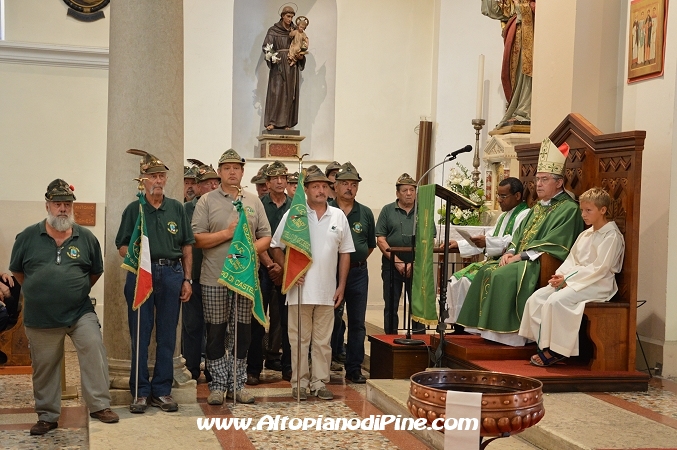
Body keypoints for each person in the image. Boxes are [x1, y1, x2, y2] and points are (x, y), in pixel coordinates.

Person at [11, 179, 118, 435]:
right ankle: (47, 416)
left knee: (94, 348)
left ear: (73, 207)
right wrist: (41, 292)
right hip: (41, 317)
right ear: (47, 205)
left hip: (80, 312)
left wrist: (73, 291)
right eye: (57, 204)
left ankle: (99, 406)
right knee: (45, 366)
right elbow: (17, 271)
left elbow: (95, 272)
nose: (62, 208)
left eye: (67, 204)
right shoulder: (27, 236)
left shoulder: (86, 237)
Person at [456, 138, 585, 346]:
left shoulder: (568, 209)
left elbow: (554, 245)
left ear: (559, 182)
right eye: (537, 179)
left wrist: (518, 256)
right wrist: (510, 251)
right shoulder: (538, 207)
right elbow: (520, 236)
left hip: (540, 263)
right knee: (485, 270)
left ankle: (509, 335)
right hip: (520, 258)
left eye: (544, 180)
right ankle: (486, 331)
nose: (538, 184)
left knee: (500, 275)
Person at [116, 151, 194, 414]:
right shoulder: (134, 209)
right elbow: (122, 247)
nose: (158, 180)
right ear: (143, 180)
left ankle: (162, 390)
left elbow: (186, 246)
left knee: (167, 335)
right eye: (153, 176)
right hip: (141, 276)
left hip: (171, 274)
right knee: (140, 332)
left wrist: (187, 279)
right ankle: (140, 392)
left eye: (161, 176)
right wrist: (139, 257)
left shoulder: (177, 208)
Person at [192, 149, 271, 405]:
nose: (232, 172)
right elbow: (198, 239)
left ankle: (237, 385)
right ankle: (217, 385)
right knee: (216, 333)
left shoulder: (253, 201)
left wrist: (248, 252)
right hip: (214, 278)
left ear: (242, 171)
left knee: (242, 333)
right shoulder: (206, 201)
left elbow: (266, 237)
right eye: (227, 168)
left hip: (244, 278)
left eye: (236, 168)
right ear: (219, 172)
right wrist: (228, 234)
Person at [270, 165, 354, 400]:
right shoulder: (294, 214)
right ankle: (299, 383)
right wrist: (289, 270)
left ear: (330, 189)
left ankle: (319, 382)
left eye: (323, 186)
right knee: (298, 340)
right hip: (299, 291)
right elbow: (276, 245)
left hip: (328, 291)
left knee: (323, 342)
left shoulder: (338, 216)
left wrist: (341, 286)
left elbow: (346, 252)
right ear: (305, 190)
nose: (320, 190)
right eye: (315, 186)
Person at [519, 188, 625, 366]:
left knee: (556, 301)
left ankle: (557, 350)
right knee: (536, 298)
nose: (583, 214)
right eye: (582, 210)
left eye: (588, 210)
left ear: (603, 210)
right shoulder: (585, 234)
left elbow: (600, 268)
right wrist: (560, 276)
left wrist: (568, 280)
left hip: (598, 283)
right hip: (575, 279)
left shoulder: (611, 236)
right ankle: (543, 343)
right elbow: (572, 259)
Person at [445, 177, 530, 323]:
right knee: (456, 279)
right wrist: (459, 244)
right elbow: (490, 236)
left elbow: (514, 241)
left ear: (517, 196)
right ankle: (458, 324)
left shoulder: (525, 215)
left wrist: (487, 242)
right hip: (493, 261)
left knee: (466, 281)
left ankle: (469, 325)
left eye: (503, 196)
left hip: (507, 263)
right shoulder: (503, 216)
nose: (499, 200)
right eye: (498, 195)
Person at [329, 162, 375, 384]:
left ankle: (354, 368)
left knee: (357, 323)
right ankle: (324, 364)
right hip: (329, 274)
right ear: (335, 186)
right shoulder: (326, 209)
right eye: (345, 183)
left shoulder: (365, 213)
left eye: (353, 184)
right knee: (330, 320)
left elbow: (370, 245)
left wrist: (354, 261)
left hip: (358, 274)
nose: (349, 188)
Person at [247, 161, 292, 385]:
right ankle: (253, 368)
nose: (279, 181)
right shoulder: (257, 204)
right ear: (267, 182)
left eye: (283, 177)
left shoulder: (295, 206)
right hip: (261, 269)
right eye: (275, 178)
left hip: (286, 270)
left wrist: (282, 267)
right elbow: (253, 235)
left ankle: (286, 366)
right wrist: (270, 265)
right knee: (257, 318)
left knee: (285, 319)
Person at [182, 160, 220, 381]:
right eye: (206, 183)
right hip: (194, 275)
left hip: (218, 276)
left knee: (216, 327)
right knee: (192, 326)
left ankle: (215, 371)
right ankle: (193, 371)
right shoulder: (185, 209)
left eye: (215, 182)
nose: (212, 187)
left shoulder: (225, 207)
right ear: (196, 187)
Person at [375, 173, 426, 334]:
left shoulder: (423, 210)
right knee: (391, 305)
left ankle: (420, 341)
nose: (409, 193)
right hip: (392, 266)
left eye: (412, 190)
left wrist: (416, 262)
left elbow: (428, 239)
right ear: (397, 193)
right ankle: (390, 341)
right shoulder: (387, 210)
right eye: (405, 190)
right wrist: (397, 262)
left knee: (418, 306)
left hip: (417, 266)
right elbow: (381, 239)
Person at [481, 0, 535, 128]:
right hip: (517, 31)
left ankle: (525, 110)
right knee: (515, 73)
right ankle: (518, 108)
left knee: (528, 70)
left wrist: (524, 8)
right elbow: (496, 9)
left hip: (533, 28)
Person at [262, 6, 305, 130]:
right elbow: (266, 47)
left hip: (291, 64)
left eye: (292, 16)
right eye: (288, 16)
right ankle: (272, 122)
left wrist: (301, 56)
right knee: (276, 92)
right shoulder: (273, 30)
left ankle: (287, 122)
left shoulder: (296, 31)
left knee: (289, 93)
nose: (290, 19)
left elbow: (302, 45)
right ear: (282, 16)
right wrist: (273, 56)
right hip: (278, 64)